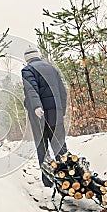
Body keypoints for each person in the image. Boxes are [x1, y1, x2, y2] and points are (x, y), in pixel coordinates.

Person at [22, 47, 68, 187]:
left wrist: (36, 106)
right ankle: (67, 178)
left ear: (27, 59)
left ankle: (48, 183)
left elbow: (31, 89)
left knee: (42, 147)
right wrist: (62, 111)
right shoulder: (52, 69)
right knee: (60, 147)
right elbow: (63, 92)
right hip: (56, 114)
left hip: (40, 116)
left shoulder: (28, 70)